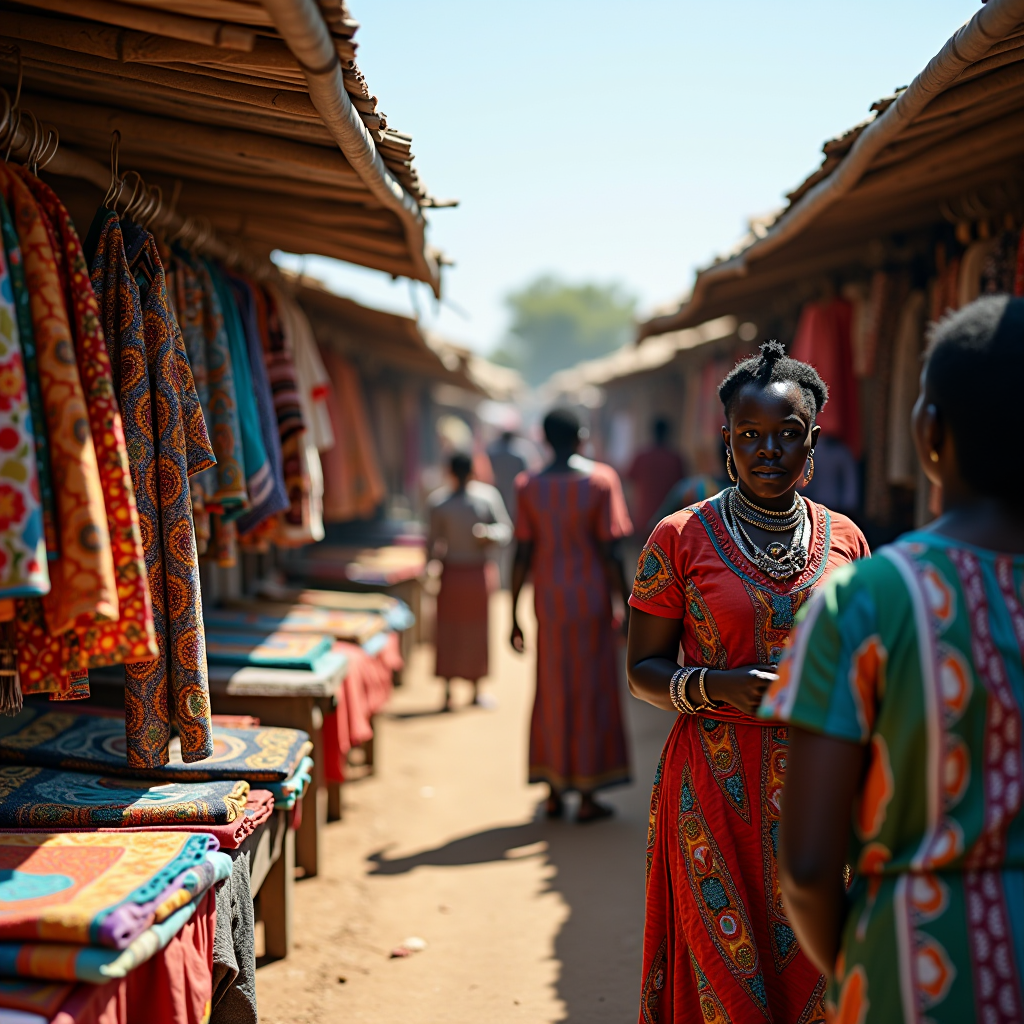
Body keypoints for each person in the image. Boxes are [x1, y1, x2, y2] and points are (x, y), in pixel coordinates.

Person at [764, 295, 1024, 1023]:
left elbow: (810, 871)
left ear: (929, 434)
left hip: (918, 967)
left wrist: (871, 967)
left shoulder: (865, 601)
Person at [626, 341, 870, 1023]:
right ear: (725, 441)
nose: (768, 451)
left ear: (813, 442)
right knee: (724, 974)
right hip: (713, 786)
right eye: (749, 436)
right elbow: (641, 671)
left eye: (787, 436)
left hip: (823, 783)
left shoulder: (848, 539)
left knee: (825, 970)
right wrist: (716, 686)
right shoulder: (678, 537)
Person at [510, 407, 633, 823]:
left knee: (552, 688)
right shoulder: (601, 481)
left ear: (544, 438)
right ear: (581, 436)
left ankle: (551, 790)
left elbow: (522, 553)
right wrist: (630, 604)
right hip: (592, 601)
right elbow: (611, 551)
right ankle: (586, 795)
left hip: (548, 601)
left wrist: (512, 613)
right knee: (592, 690)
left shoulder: (528, 486)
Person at [428, 451, 512, 711]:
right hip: (452, 572)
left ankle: (475, 690)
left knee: (476, 630)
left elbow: (506, 530)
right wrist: (430, 566)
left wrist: (489, 534)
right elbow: (431, 542)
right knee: (448, 630)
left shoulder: (486, 498)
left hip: (476, 572)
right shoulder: (440, 503)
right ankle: (448, 690)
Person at [627, 417, 688, 535]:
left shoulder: (642, 457)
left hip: (643, 519)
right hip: (668, 522)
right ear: (668, 434)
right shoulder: (675, 459)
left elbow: (629, 480)